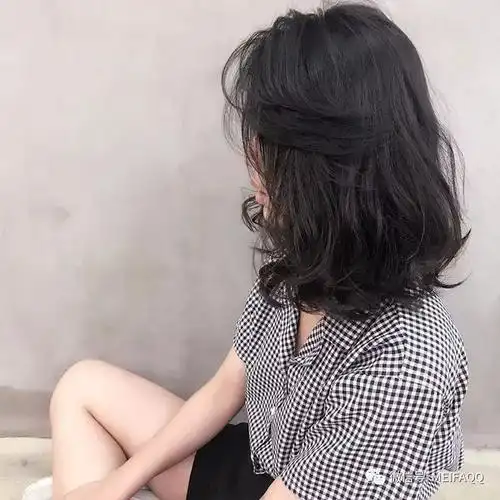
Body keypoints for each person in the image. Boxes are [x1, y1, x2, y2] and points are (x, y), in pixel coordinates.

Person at [24, 3, 470, 500]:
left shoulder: (409, 361)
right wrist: (116, 484)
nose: (250, 159)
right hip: (265, 461)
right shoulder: (303, 268)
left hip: (318, 488)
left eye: (268, 145)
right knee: (83, 387)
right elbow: (224, 389)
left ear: (328, 168)